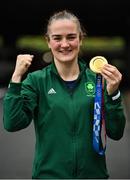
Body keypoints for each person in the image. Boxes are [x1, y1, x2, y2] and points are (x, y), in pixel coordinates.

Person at [3, 10, 126, 179]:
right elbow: (12, 123)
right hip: (49, 176)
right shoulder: (36, 81)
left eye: (71, 37)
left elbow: (116, 132)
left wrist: (113, 94)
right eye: (57, 38)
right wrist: (16, 78)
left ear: (81, 39)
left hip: (93, 175)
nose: (65, 44)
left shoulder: (98, 80)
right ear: (48, 41)